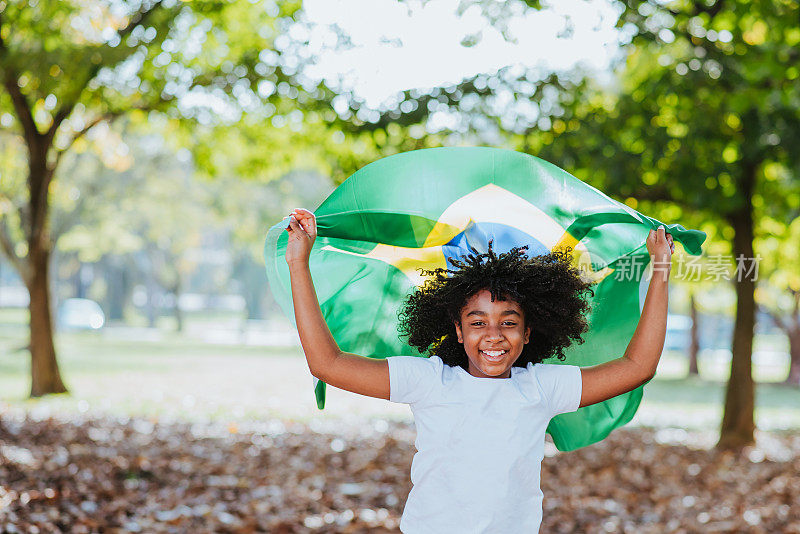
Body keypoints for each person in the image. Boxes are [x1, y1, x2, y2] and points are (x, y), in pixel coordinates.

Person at [284, 207, 675, 533]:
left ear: (527, 332)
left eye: (508, 322)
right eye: (477, 322)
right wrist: (298, 262)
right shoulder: (429, 381)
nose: (493, 335)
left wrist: (660, 270)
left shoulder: (540, 387)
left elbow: (636, 367)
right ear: (457, 329)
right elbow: (327, 363)